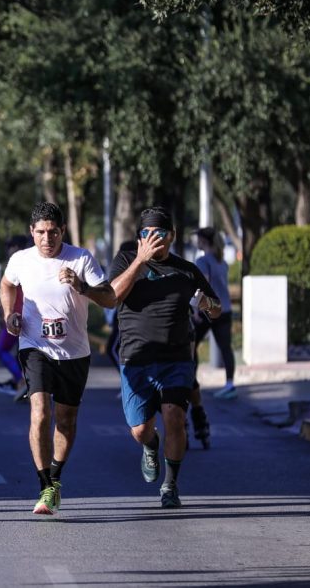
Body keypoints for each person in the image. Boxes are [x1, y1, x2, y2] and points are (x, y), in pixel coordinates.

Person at [0, 202, 116, 516]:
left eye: (53, 232)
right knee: (39, 412)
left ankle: (56, 477)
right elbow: (7, 284)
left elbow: (110, 297)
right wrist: (10, 314)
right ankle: (44, 486)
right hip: (34, 346)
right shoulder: (21, 260)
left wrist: (82, 287)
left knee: (66, 420)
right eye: (40, 232)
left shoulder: (81, 259)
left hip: (75, 352)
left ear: (62, 231)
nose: (47, 239)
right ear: (32, 232)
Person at [109, 207, 221, 508]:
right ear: (138, 238)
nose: (152, 239)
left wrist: (206, 304)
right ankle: (150, 444)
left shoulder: (186, 270)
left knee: (174, 416)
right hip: (135, 359)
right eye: (146, 234)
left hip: (176, 359)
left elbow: (216, 308)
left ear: (171, 236)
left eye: (158, 233)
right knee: (139, 429)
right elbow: (112, 295)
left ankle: (170, 486)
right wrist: (139, 262)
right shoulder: (124, 262)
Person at [193, 228, 237, 401]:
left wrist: (196, 310)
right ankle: (230, 385)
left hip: (207, 310)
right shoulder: (222, 261)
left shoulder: (202, 261)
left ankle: (191, 383)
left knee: (191, 345)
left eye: (198, 238)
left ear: (204, 241)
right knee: (226, 347)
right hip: (225, 309)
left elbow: (203, 286)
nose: (196, 241)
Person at [0, 236, 28, 399]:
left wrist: (7, 315)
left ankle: (21, 380)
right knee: (21, 353)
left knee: (1, 350)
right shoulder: (26, 263)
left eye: (12, 246)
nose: (9, 250)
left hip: (17, 316)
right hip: (19, 315)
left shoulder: (20, 265)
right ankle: (21, 381)